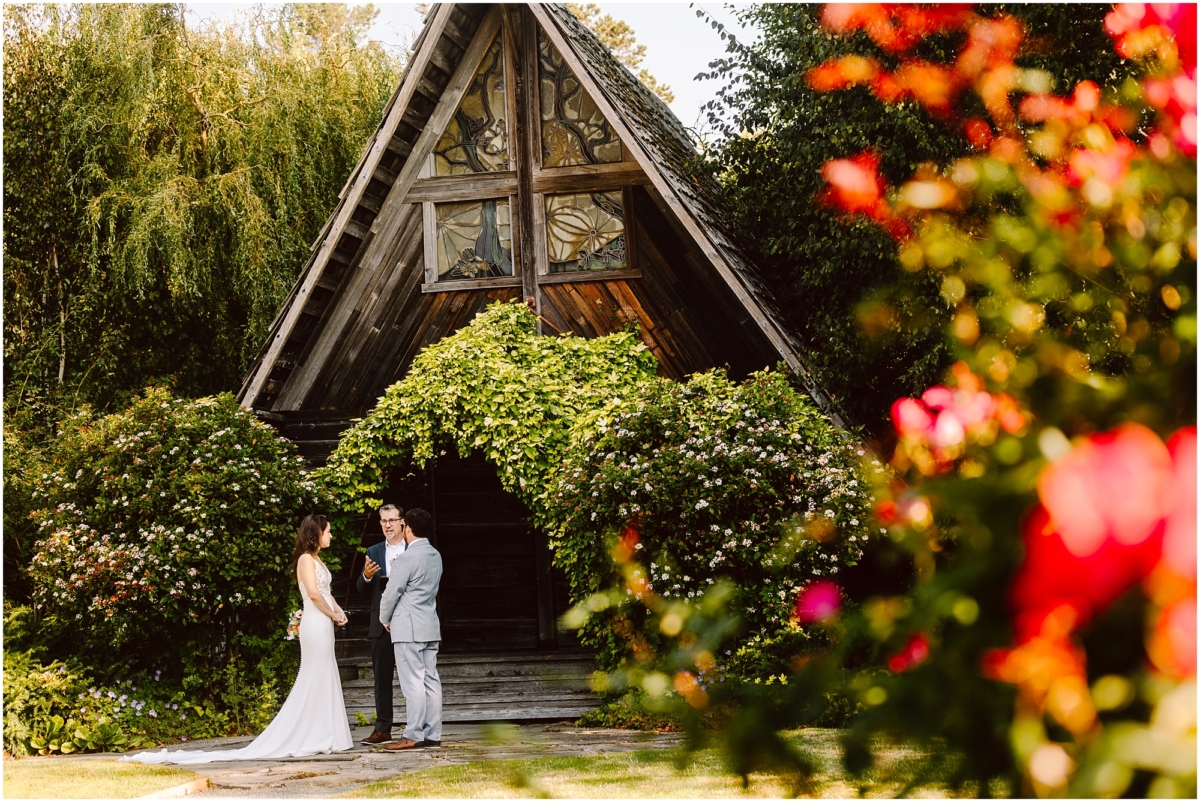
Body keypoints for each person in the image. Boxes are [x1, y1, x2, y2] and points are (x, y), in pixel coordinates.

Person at [122, 515, 354, 764]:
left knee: (325, 672)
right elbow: (314, 595)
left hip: (325, 622)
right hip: (315, 623)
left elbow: (327, 594)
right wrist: (331, 614)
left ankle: (326, 733)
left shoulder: (318, 559)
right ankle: (309, 734)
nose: (330, 535)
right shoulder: (305, 560)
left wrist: (339, 612)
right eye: (327, 531)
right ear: (315, 534)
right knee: (314, 674)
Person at [378, 509, 443, 751]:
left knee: (413, 683)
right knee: (430, 680)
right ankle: (433, 733)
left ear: (407, 529)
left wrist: (384, 618)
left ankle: (413, 734)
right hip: (429, 624)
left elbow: (391, 592)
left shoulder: (406, 558)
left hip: (408, 626)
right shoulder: (435, 555)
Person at [355, 504, 406, 745]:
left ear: (402, 522)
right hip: (380, 626)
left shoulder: (413, 548)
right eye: (384, 521)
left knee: (414, 678)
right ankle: (383, 729)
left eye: (392, 520)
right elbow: (360, 589)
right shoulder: (373, 551)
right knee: (381, 679)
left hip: (407, 623)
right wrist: (365, 575)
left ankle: (418, 728)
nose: (388, 525)